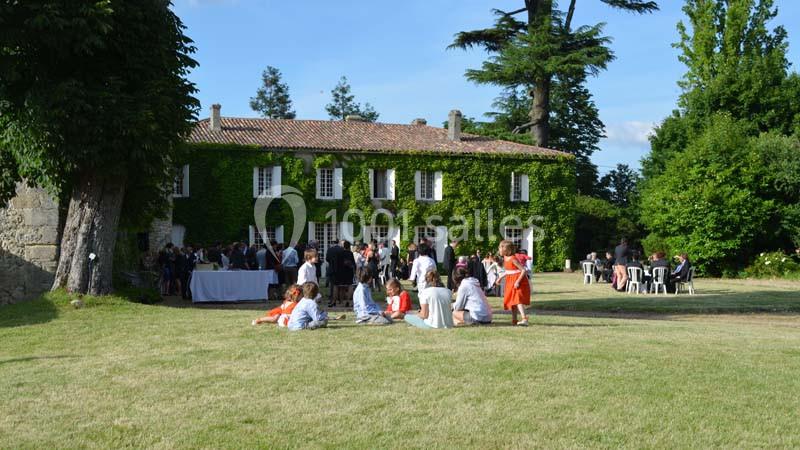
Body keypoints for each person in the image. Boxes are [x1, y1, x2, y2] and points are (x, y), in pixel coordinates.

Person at [497, 240, 531, 326]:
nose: (499, 250)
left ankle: (524, 319)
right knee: (512, 301)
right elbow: (509, 271)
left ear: (507, 250)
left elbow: (523, 270)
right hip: (510, 281)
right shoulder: (505, 258)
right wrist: (500, 277)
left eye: (501, 248)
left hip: (518, 280)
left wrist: (517, 281)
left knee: (517, 299)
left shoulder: (513, 258)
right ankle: (514, 320)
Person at [331, 240, 356, 307]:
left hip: (340, 272)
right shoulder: (350, 253)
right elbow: (353, 263)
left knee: (337, 286)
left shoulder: (339, 253)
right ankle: (348, 301)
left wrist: (335, 271)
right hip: (348, 272)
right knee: (350, 285)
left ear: (343, 246)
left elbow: (336, 263)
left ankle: (335, 301)